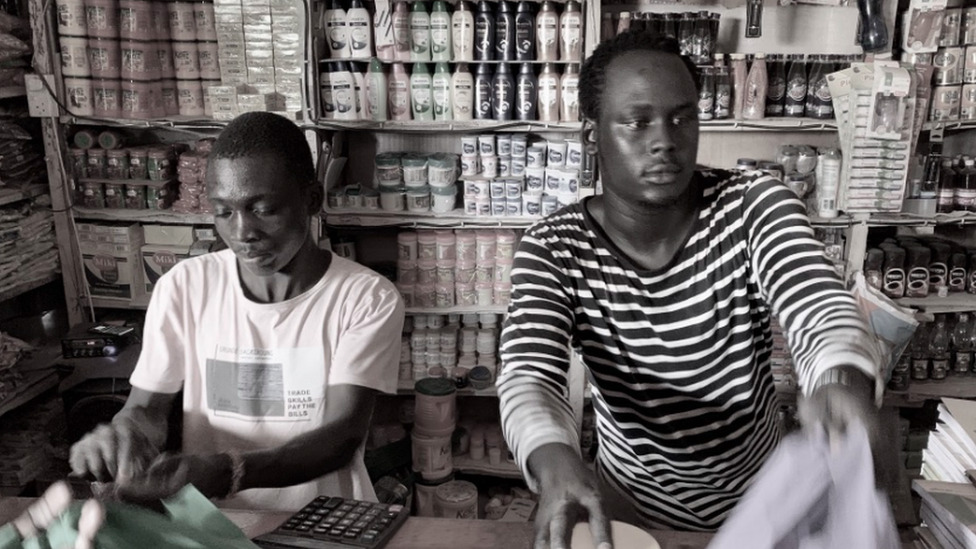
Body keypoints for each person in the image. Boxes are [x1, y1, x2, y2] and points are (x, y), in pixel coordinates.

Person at [496, 30, 882, 547]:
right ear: (591, 134)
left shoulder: (752, 205)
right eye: (637, 122)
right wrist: (554, 458)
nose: (665, 141)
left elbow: (817, 301)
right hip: (628, 509)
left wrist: (840, 377)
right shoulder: (553, 247)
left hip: (766, 503)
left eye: (682, 117)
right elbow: (529, 375)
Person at [68, 112, 405, 511]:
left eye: (262, 209)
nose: (243, 232)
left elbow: (340, 438)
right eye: (224, 212)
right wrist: (124, 435)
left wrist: (230, 471)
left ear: (312, 200)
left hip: (324, 524)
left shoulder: (364, 298)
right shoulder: (185, 286)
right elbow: (146, 409)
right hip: (211, 528)